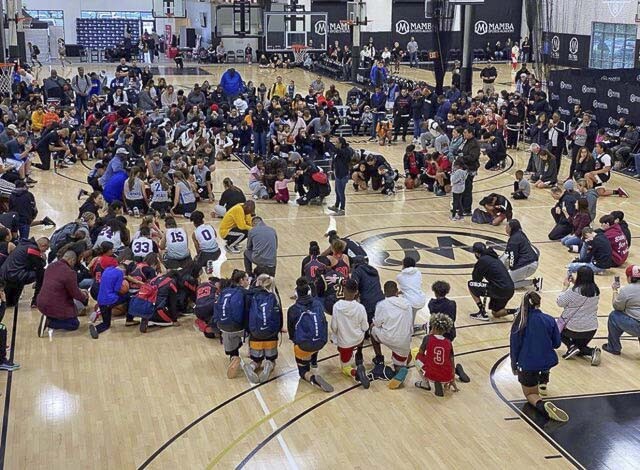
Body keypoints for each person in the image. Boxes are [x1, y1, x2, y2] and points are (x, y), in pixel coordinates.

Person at [509, 291, 568, 422]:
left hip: (528, 364)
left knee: (530, 394)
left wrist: (514, 366)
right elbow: (557, 344)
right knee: (542, 358)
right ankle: (543, 381)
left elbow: (515, 347)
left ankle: (542, 405)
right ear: (539, 303)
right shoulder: (549, 319)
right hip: (547, 361)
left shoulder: (520, 322)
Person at [287, 278, 333, 392]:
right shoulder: (318, 304)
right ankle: (314, 361)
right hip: (321, 342)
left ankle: (312, 377)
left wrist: (296, 342)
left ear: (296, 293)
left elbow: (291, 333)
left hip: (304, 346)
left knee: (302, 371)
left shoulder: (293, 309)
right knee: (314, 331)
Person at [370, 281, 413, 388]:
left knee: (373, 330)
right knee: (399, 366)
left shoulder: (382, 304)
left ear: (384, 293)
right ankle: (401, 368)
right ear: (397, 291)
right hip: (405, 339)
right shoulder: (407, 304)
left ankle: (379, 358)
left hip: (388, 337)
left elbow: (377, 323)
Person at [36, 250, 89, 336]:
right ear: (71, 260)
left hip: (41, 301)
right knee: (74, 324)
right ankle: (49, 322)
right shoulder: (70, 272)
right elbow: (75, 293)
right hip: (55, 304)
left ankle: (48, 317)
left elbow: (59, 285)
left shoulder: (51, 266)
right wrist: (84, 296)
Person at [556, 266, 601, 365]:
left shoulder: (573, 291)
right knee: (580, 350)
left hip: (573, 328)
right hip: (591, 329)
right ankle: (592, 351)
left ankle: (571, 346)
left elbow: (560, 302)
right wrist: (575, 283)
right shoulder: (596, 291)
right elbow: (584, 290)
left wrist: (565, 287)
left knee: (555, 327)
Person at [330, 279, 370, 388]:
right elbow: (365, 327)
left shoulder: (337, 306)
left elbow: (334, 327)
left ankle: (356, 373)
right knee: (359, 333)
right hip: (358, 339)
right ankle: (357, 354)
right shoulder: (360, 308)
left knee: (344, 368)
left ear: (344, 290)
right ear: (356, 292)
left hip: (344, 343)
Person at [428, 280, 470, 382]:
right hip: (449, 333)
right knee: (448, 352)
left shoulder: (431, 303)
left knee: (433, 351)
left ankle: (439, 369)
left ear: (434, 291)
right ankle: (453, 370)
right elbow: (453, 319)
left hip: (435, 332)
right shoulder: (452, 304)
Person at [243, 274, 282, 383]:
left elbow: (246, 316)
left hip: (256, 335)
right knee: (271, 359)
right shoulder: (274, 296)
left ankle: (252, 367)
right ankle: (269, 365)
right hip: (271, 335)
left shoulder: (250, 295)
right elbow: (280, 316)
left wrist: (249, 332)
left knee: (256, 361)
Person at [214, 270, 250, 378]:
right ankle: (253, 355)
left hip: (223, 327)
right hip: (239, 327)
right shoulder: (244, 293)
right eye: (246, 279)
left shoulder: (224, 292)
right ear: (241, 280)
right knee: (254, 329)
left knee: (232, 349)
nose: (248, 281)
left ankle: (234, 357)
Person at [469, 242, 516, 321]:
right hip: (510, 289)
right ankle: (516, 311)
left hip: (499, 288)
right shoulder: (494, 257)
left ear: (476, 253)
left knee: (471, 284)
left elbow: (476, 280)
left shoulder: (482, 261)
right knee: (495, 313)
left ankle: (482, 312)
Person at [414, 313, 458, 397]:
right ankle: (442, 382)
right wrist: (452, 378)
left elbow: (420, 353)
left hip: (431, 374)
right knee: (445, 361)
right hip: (447, 376)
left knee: (415, 354)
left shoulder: (427, 338)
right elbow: (452, 361)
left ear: (433, 327)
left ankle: (425, 383)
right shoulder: (448, 342)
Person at [0, 236, 49, 308]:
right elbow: (39, 266)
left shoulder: (23, 244)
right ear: (43, 245)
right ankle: (35, 301)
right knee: (42, 273)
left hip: (5, 273)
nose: (44, 252)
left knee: (10, 303)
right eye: (45, 249)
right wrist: (44, 259)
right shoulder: (33, 250)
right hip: (16, 276)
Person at [603, 265, 640, 355]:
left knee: (614, 315)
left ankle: (613, 347)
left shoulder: (626, 290)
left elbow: (617, 306)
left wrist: (615, 291)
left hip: (636, 325)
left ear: (630, 277)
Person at [89, 263, 130, 338]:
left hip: (100, 300)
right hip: (110, 300)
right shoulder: (120, 273)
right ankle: (129, 319)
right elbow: (117, 289)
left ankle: (96, 328)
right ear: (124, 271)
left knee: (106, 324)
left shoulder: (107, 269)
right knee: (129, 296)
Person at [501, 219, 541, 290]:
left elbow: (512, 257)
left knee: (506, 283)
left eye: (507, 226)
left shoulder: (514, 240)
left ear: (511, 228)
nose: (505, 228)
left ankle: (535, 282)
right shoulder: (520, 234)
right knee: (506, 276)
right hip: (529, 262)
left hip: (528, 264)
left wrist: (511, 270)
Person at [349, 256, 384, 323]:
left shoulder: (357, 271)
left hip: (368, 303)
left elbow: (353, 287)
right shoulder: (374, 270)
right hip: (381, 300)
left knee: (367, 324)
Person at [395, 256, 426, 326]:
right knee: (410, 317)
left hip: (411, 302)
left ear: (404, 265)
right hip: (421, 299)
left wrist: (397, 292)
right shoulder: (418, 272)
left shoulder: (399, 277)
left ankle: (412, 328)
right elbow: (410, 287)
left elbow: (406, 288)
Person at [329, 137, 352, 216]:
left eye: (336, 142)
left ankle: (342, 209)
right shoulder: (337, 152)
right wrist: (332, 169)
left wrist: (327, 142)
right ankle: (336, 205)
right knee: (337, 190)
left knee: (341, 192)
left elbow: (336, 150)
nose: (335, 144)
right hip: (337, 174)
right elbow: (334, 160)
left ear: (341, 143)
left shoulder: (345, 151)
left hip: (343, 175)